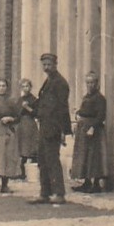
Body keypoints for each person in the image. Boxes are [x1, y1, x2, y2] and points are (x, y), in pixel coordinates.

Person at [29, 52, 71, 205]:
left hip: (53, 127)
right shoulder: (48, 82)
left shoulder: (60, 83)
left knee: (52, 160)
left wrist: (64, 131)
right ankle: (44, 193)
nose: (46, 67)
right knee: (42, 160)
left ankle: (59, 193)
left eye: (49, 64)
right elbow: (42, 103)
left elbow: (62, 108)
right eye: (44, 64)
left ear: (55, 65)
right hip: (44, 125)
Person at [69, 73, 109, 193]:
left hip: (94, 130)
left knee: (94, 157)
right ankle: (86, 182)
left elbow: (101, 115)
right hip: (83, 129)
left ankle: (96, 184)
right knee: (83, 156)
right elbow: (84, 110)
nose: (90, 85)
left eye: (92, 82)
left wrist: (93, 127)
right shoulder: (86, 97)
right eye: (87, 82)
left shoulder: (100, 98)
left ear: (97, 84)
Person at [16, 77, 40, 177]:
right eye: (23, 86)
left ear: (30, 87)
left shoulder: (34, 99)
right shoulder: (20, 99)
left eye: (27, 86)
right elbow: (16, 112)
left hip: (30, 124)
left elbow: (37, 114)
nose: (25, 88)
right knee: (21, 147)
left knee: (31, 147)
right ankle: (21, 172)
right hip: (21, 124)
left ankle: (34, 172)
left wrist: (27, 108)